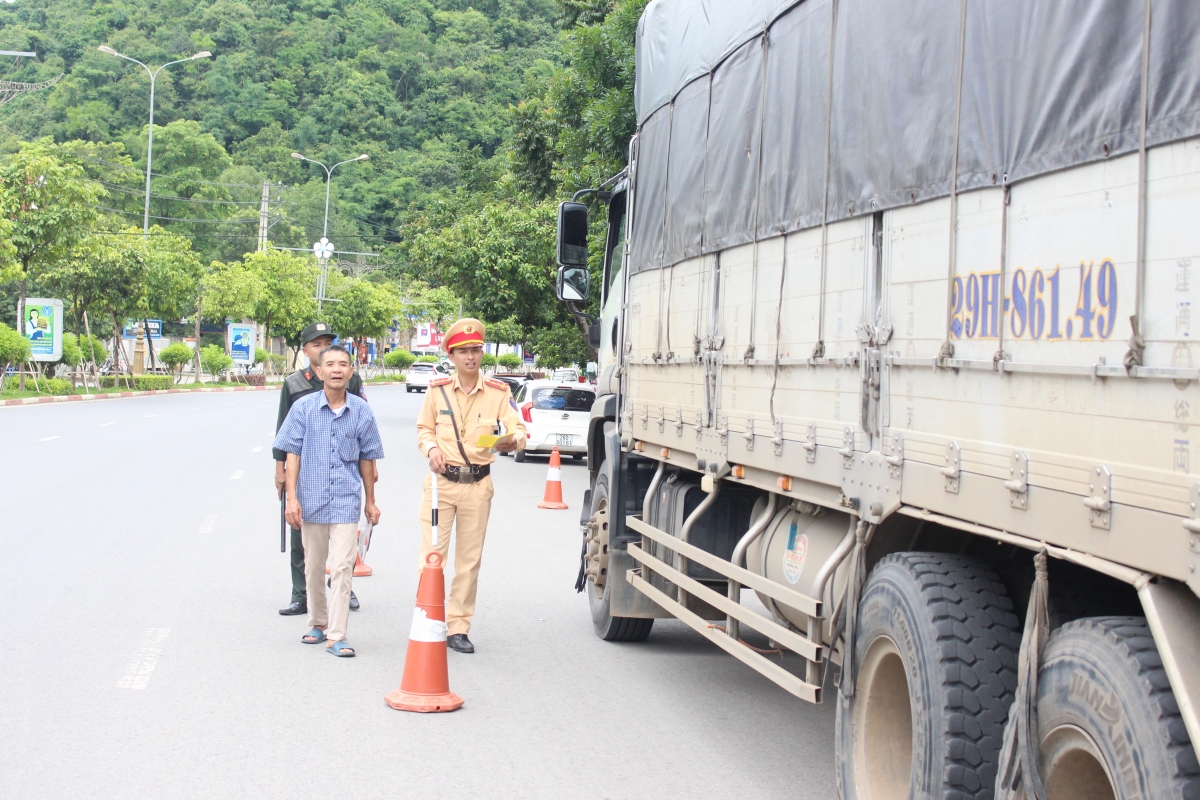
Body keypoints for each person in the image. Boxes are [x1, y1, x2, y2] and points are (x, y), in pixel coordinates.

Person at [416, 318, 527, 653]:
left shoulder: (499, 392)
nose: (471, 356)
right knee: (432, 556)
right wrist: (431, 449)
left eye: (476, 350)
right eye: (463, 351)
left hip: (478, 485)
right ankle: (428, 619)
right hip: (441, 485)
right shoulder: (436, 391)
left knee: (468, 561)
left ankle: (458, 628)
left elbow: (518, 428)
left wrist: (513, 441)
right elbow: (424, 429)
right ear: (451, 356)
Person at [274, 345, 384, 658]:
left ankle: (337, 635)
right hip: (311, 500)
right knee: (313, 567)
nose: (337, 369)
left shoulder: (361, 411)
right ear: (320, 371)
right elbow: (292, 454)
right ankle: (318, 623)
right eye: (331, 364)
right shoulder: (303, 408)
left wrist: (371, 501)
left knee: (343, 567)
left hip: (346, 500)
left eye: (343, 364)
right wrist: (292, 499)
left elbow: (368, 459)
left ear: (351, 371)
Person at [273, 322, 367, 616]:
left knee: (343, 534)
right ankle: (301, 594)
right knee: (301, 531)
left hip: (342, 467)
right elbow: (283, 430)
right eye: (317, 344)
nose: (323, 349)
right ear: (305, 350)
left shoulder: (350, 379)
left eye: (327, 343)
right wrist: (280, 470)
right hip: (304, 469)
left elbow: (362, 423)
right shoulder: (294, 384)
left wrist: (369, 469)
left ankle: (343, 589)